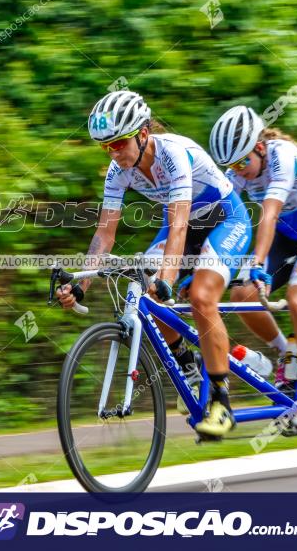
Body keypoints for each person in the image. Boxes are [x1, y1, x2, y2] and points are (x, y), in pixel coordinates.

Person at [56, 90, 251, 436]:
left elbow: (178, 225)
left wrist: (168, 279)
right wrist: (79, 285)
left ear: (143, 134)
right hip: (182, 226)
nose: (114, 153)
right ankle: (188, 364)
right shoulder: (118, 172)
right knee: (145, 291)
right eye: (106, 147)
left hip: (225, 220)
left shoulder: (172, 154)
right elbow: (105, 235)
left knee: (201, 297)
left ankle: (222, 403)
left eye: (119, 143)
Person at [208, 105, 297, 429]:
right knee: (242, 293)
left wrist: (257, 262)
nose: (238, 170)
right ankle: (288, 354)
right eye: (231, 165)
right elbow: (223, 216)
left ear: (259, 147)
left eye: (243, 161)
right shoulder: (238, 173)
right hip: (287, 238)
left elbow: (268, 215)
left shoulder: (282, 156)